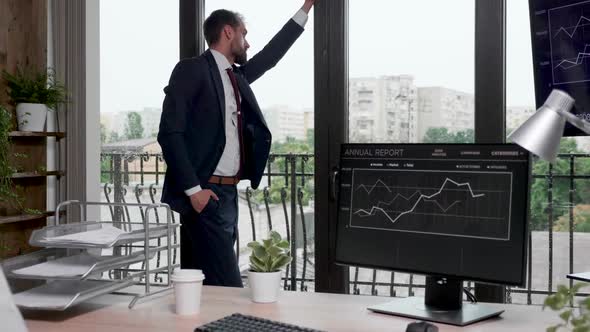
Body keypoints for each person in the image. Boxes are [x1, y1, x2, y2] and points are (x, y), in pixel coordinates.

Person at [157, 0, 316, 287]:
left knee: (205, 286)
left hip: (228, 195)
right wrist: (194, 191)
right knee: (229, 286)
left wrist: (305, 8)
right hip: (206, 195)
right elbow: (170, 133)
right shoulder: (192, 70)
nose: (248, 43)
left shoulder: (236, 77)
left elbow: (270, 56)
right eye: (244, 34)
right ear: (228, 32)